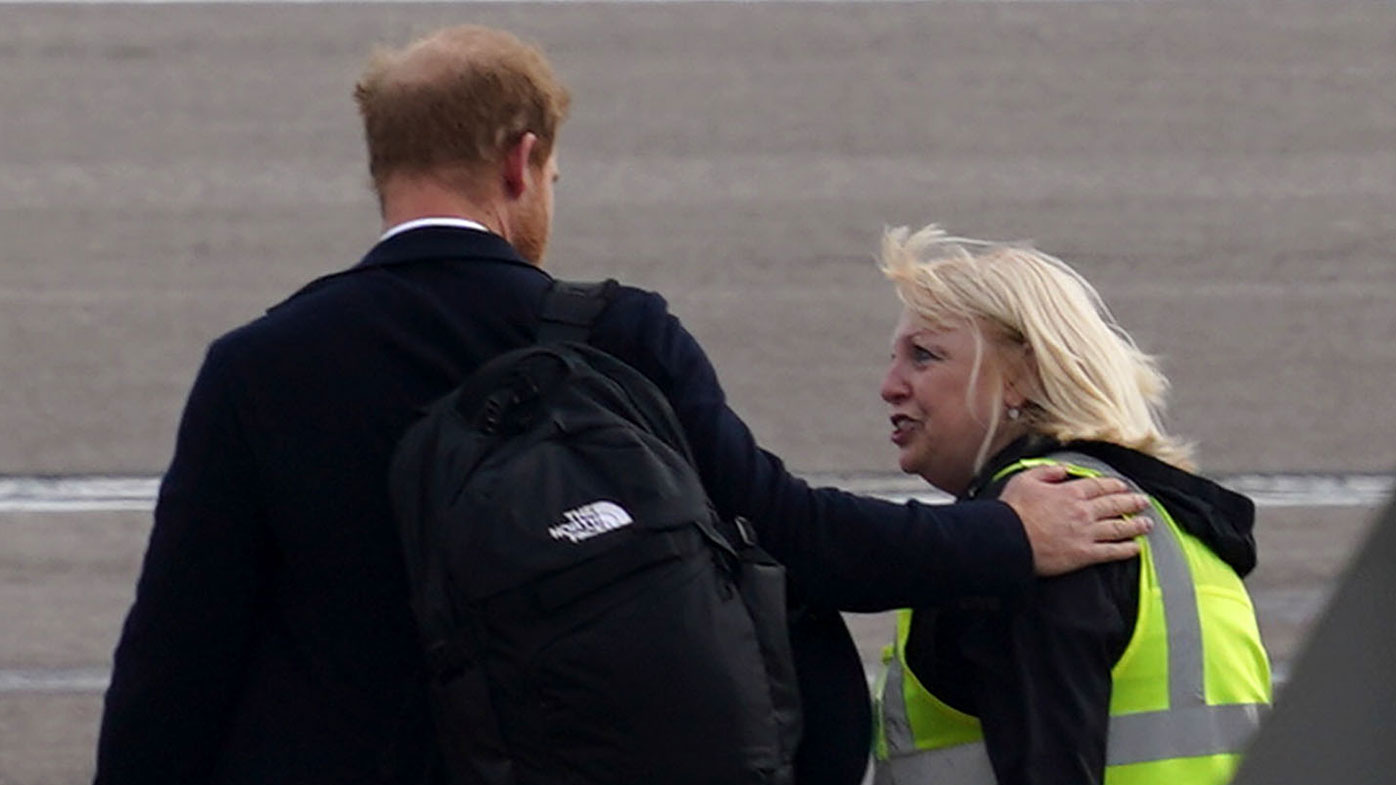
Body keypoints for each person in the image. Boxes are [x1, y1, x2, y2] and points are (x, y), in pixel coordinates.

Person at [93, 27, 1150, 785]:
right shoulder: (612, 334)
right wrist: (1004, 538)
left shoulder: (258, 367)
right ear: (523, 161)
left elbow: (175, 657)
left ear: (385, 167)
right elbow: (786, 537)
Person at [870, 225, 1273, 785]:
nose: (890, 385)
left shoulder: (1045, 523)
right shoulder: (1179, 531)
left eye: (924, 357)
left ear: (1022, 376)